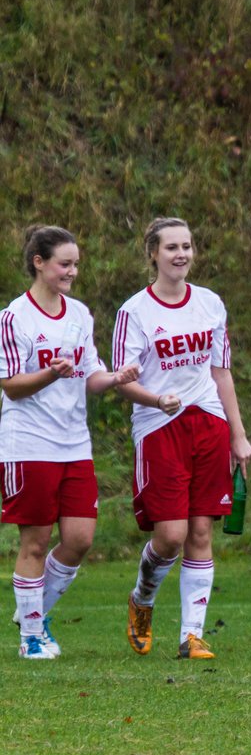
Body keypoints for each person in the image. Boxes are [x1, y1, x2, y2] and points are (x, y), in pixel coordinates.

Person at [112, 217, 251, 660]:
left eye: (187, 246)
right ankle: (143, 599)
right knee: (169, 536)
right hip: (160, 427)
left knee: (200, 532)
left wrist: (238, 435)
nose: (181, 254)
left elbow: (221, 372)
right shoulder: (134, 311)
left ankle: (191, 635)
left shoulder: (210, 303)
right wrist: (156, 399)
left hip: (208, 423)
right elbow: (121, 381)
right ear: (152, 253)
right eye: (171, 247)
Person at [0, 226, 139, 658]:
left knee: (79, 539)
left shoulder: (80, 314)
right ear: (39, 263)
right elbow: (10, 385)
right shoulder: (13, 317)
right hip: (29, 444)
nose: (73, 271)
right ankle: (32, 637)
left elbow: (90, 375)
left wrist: (115, 378)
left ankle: (33, 612)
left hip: (74, 444)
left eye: (76, 263)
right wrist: (49, 373)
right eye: (65, 263)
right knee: (36, 542)